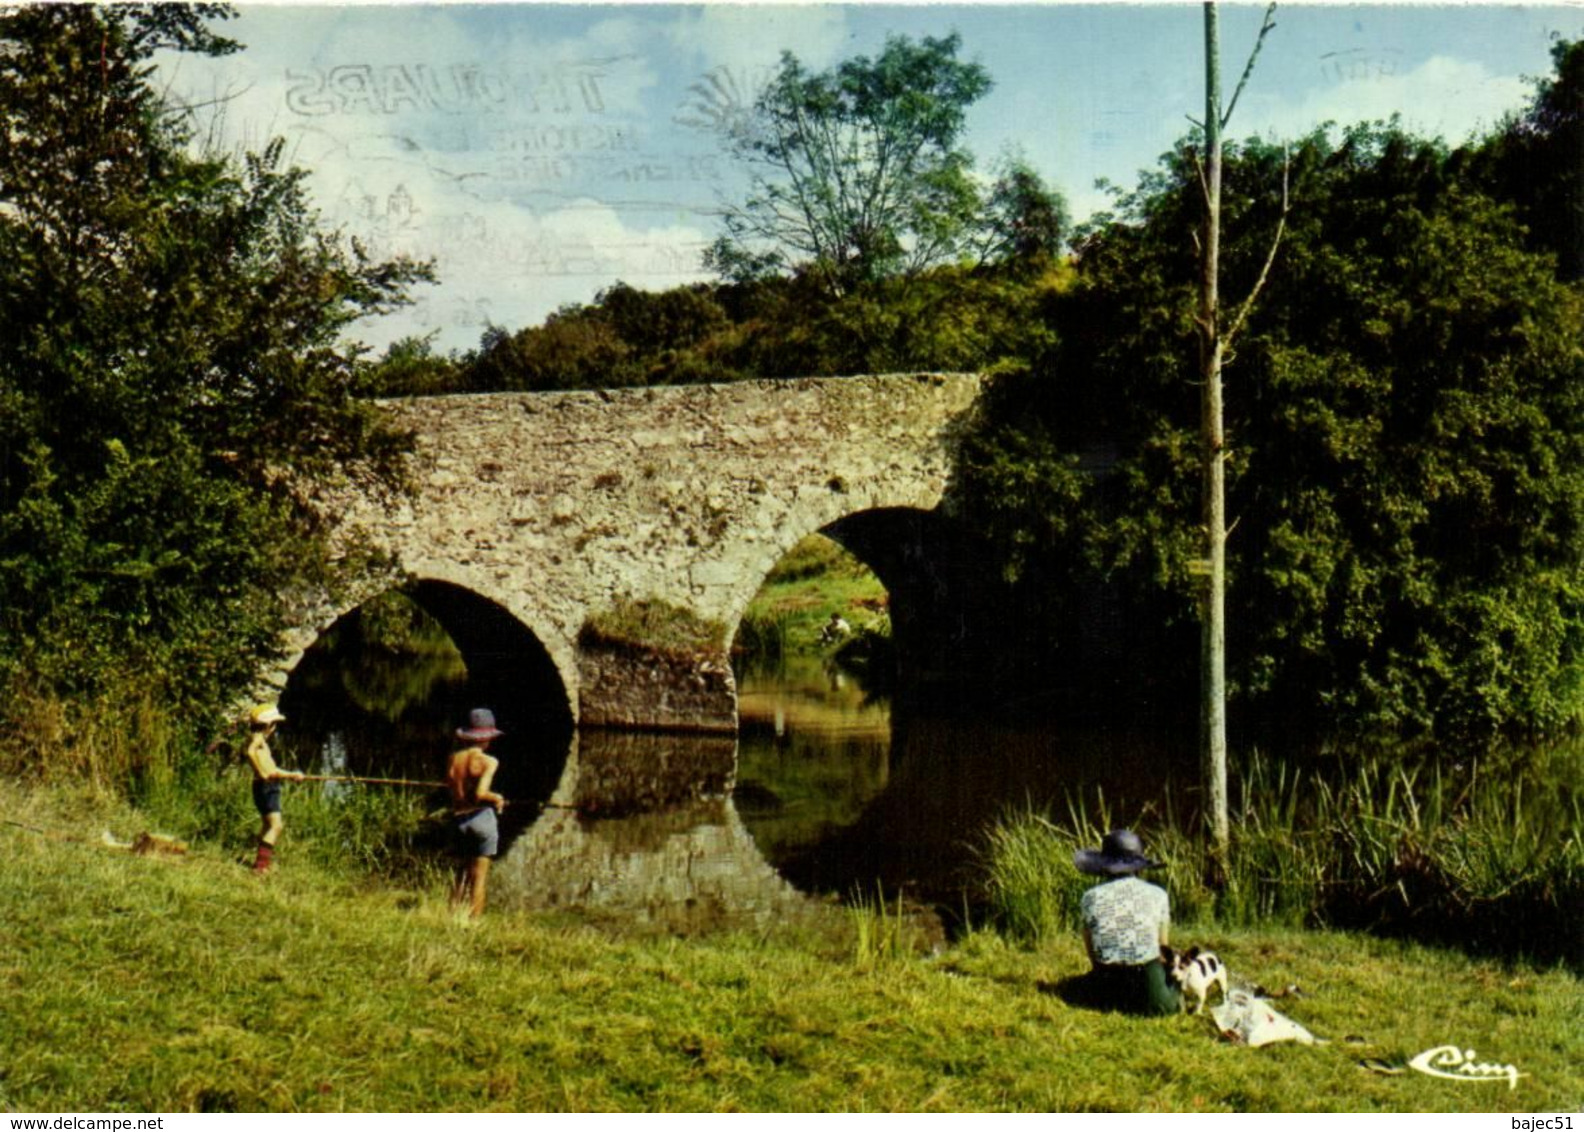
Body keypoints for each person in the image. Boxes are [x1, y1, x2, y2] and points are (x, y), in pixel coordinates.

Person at [1074, 828, 1181, 1016]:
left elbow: (1092, 952)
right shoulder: (1158, 895)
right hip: (1147, 982)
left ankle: (1107, 996)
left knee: (1077, 988)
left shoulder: (1090, 897)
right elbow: (1163, 948)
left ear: (1104, 865)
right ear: (1138, 866)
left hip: (1107, 982)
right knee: (1173, 992)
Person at [447, 707, 508, 918]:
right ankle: (474, 924)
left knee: (461, 874)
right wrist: (497, 798)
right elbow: (481, 793)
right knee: (479, 878)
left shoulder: (453, 760)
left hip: (459, 819)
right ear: (486, 738)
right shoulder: (489, 762)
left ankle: (453, 916)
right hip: (481, 818)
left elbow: (452, 787)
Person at [243, 703, 304, 875]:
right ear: (268, 725)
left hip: (265, 786)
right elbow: (250, 753)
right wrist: (260, 772)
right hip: (266, 787)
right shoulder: (258, 739)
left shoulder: (260, 740)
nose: (275, 728)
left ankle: (260, 862)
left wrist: (292, 775)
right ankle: (261, 867)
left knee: (267, 825)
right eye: (275, 724)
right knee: (276, 826)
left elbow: (273, 770)